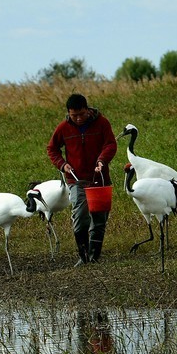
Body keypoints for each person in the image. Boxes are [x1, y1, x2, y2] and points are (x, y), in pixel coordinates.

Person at [46, 93, 117, 265]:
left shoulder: (102, 123)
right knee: (80, 214)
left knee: (100, 217)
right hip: (76, 179)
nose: (78, 119)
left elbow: (111, 144)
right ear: (68, 113)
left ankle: (94, 256)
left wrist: (102, 160)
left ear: (87, 109)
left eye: (81, 114)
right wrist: (63, 165)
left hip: (99, 178)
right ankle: (83, 256)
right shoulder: (63, 128)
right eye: (74, 115)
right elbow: (52, 149)